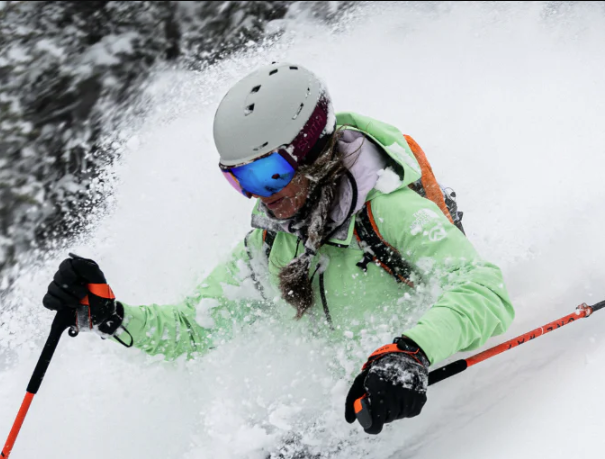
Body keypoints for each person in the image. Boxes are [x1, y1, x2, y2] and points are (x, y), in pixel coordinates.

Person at [42, 62, 515, 435]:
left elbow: (484, 289)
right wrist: (108, 314)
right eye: (239, 178)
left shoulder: (387, 211)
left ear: (311, 150)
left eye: (269, 172)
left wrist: (409, 353)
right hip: (354, 414)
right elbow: (193, 329)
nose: (259, 194)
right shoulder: (272, 243)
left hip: (430, 400)